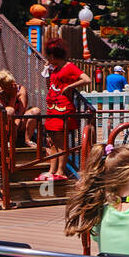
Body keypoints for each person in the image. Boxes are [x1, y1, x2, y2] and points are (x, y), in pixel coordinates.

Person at [42, 39, 91, 181]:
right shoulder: (55, 69)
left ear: (54, 55)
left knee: (61, 141)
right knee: (52, 141)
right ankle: (52, 170)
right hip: (52, 107)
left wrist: (71, 86)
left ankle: (61, 171)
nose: (49, 59)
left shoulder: (69, 67)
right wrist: (47, 72)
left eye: (50, 55)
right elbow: (50, 86)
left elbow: (86, 79)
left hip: (63, 108)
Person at [0, 69, 39, 147]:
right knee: (9, 110)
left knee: (35, 111)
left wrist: (15, 128)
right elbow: (5, 112)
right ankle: (6, 141)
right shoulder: (0, 92)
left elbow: (20, 113)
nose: (13, 86)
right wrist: (13, 97)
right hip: (4, 123)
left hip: (18, 121)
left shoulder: (20, 90)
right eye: (8, 86)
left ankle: (27, 140)